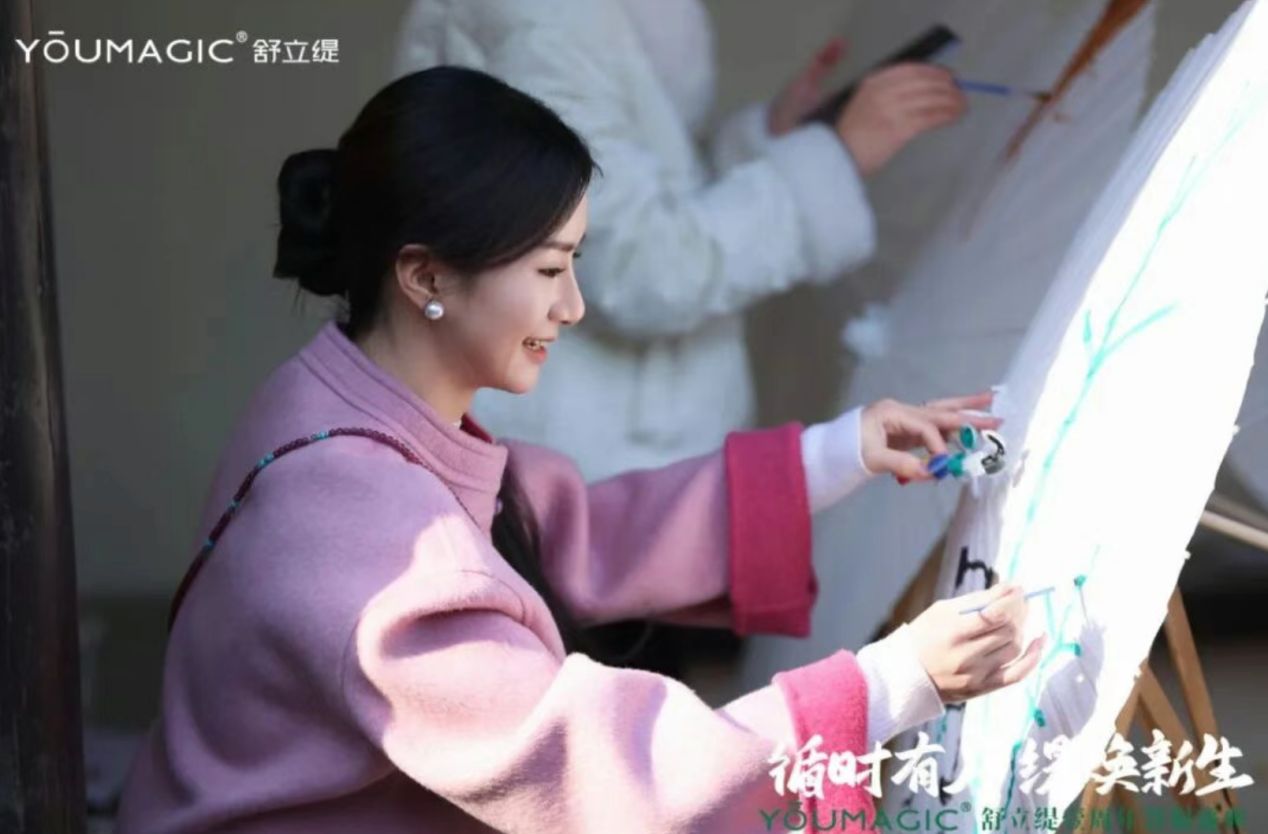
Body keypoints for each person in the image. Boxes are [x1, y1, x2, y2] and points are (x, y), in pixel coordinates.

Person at [116, 67, 1038, 833]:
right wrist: (894, 681)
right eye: (549, 270)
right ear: (426, 274)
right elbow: (602, 773)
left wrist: (844, 451)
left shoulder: (339, 403)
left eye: (575, 264)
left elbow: (557, 533)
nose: (573, 307)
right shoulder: (357, 523)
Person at [395, 0, 968, 480]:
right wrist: (828, 160)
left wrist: (769, 141)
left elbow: (643, 188)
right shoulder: (543, 17)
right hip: (589, 478)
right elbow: (635, 267)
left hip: (603, 460)